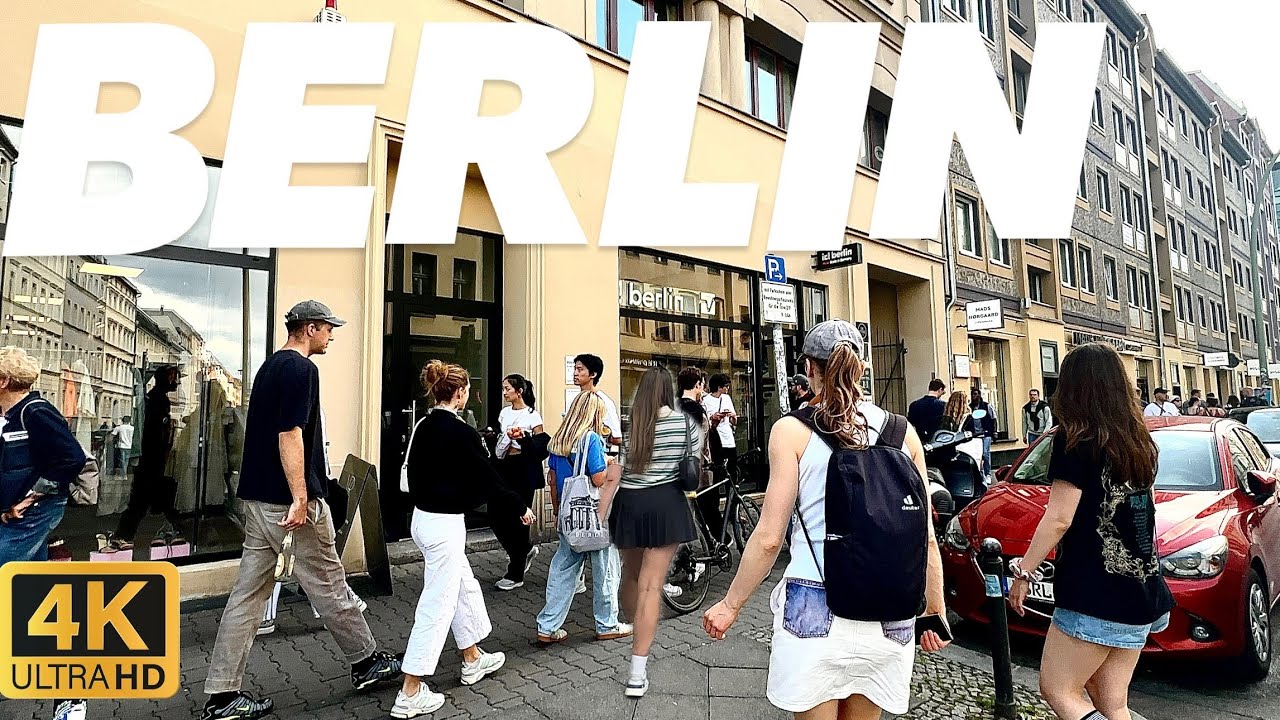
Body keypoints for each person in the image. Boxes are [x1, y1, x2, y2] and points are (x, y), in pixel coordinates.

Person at [702, 320, 949, 719]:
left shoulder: (792, 430)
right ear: (862, 369)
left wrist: (730, 605)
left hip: (815, 601)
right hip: (890, 609)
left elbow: (769, 537)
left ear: (810, 368)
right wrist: (932, 612)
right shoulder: (903, 433)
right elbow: (927, 537)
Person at [202, 301, 402, 720]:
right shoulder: (301, 369)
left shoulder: (270, 367)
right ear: (310, 328)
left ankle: (222, 695)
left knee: (247, 595)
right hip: (288, 503)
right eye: (329, 328)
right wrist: (300, 496)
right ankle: (366, 662)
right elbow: (289, 434)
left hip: (257, 498)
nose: (332, 335)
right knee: (328, 581)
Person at [1008, 343, 1173, 720]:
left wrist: (1023, 573)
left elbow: (1058, 518)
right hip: (1142, 589)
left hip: (1096, 593)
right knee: (1110, 699)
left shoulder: (1075, 441)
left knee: (1058, 689)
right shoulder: (1140, 442)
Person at [391, 360, 536, 718]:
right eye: (468, 389)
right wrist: (518, 504)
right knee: (437, 604)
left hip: (422, 521)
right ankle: (410, 690)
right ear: (459, 393)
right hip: (444, 525)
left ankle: (472, 657)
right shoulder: (461, 431)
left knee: (464, 585)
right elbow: (487, 476)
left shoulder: (424, 424)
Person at [0, 347, 90, 720]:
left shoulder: (36, 412)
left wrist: (32, 495)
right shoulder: (11, 414)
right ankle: (68, 692)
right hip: (14, 518)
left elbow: (71, 457)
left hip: (33, 518)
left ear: (4, 381)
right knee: (34, 598)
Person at [607, 366, 700, 698]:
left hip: (629, 505)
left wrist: (600, 510)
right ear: (668, 390)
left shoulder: (630, 425)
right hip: (665, 505)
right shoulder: (684, 424)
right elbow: (690, 468)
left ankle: (633, 623)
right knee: (651, 588)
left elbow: (616, 470)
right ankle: (636, 674)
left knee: (631, 579)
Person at [535, 390, 631, 645]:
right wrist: (612, 465)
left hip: (569, 516)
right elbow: (598, 478)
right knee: (606, 569)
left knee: (562, 570)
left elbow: (553, 482)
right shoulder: (591, 440)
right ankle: (607, 624)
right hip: (595, 517)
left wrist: (558, 513)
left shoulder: (558, 441)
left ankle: (547, 626)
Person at [106, 364, 185, 550]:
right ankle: (124, 535)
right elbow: (156, 433)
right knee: (144, 500)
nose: (177, 382)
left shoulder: (153, 397)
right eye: (174, 378)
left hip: (150, 458)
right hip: (152, 459)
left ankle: (126, 534)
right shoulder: (159, 399)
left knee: (150, 500)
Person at [571, 354, 621, 595]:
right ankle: (580, 575)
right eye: (575, 368)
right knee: (581, 522)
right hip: (577, 469)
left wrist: (600, 452)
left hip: (597, 468)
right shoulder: (576, 400)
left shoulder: (601, 401)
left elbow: (615, 436)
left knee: (599, 527)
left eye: (580, 369)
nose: (575, 372)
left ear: (593, 374)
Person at [492, 373, 546, 591]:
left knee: (519, 518)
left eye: (507, 388)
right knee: (496, 515)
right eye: (503, 388)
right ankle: (525, 549)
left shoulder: (533, 416)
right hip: (504, 467)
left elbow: (540, 447)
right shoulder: (504, 413)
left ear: (519, 391)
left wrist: (523, 438)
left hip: (524, 470)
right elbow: (498, 439)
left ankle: (515, 573)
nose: (504, 392)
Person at [969, 387, 998, 476]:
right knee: (976, 455)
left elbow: (994, 419)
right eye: (972, 394)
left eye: (975, 394)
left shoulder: (986, 406)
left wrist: (995, 431)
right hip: (975, 435)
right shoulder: (970, 408)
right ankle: (979, 474)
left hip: (986, 433)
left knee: (985, 454)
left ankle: (987, 473)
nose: (974, 396)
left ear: (979, 395)